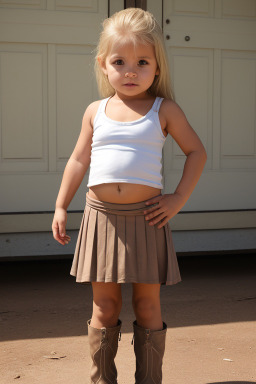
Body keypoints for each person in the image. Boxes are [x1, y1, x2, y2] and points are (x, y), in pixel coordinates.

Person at [52, 7, 207, 384]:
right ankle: (102, 380)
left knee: (146, 303)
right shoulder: (96, 111)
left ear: (157, 67)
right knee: (104, 307)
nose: (131, 70)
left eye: (142, 62)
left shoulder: (163, 109)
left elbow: (197, 152)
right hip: (100, 217)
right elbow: (77, 159)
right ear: (104, 65)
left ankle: (149, 381)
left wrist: (177, 199)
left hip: (147, 219)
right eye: (120, 61)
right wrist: (60, 205)